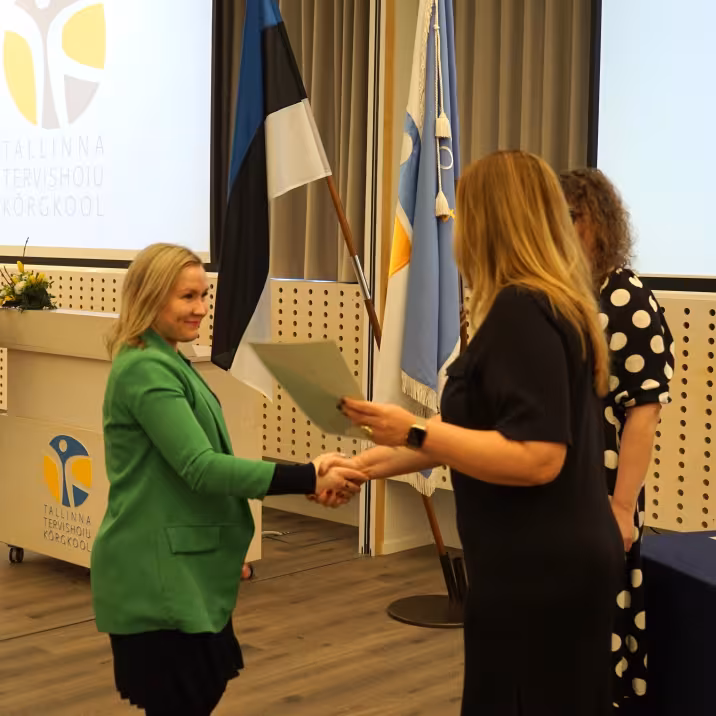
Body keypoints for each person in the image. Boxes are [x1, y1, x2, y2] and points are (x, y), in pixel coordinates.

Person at [334, 150, 624, 715]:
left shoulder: (522, 309)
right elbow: (471, 433)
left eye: (462, 213)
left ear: (492, 220)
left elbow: (537, 457)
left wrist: (414, 432)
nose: (454, 229)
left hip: (537, 573)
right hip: (549, 566)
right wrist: (363, 465)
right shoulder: (552, 304)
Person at [91, 243, 366, 716]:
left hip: (183, 568)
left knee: (199, 692)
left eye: (204, 295)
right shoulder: (146, 369)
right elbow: (201, 467)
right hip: (157, 574)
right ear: (149, 297)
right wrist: (308, 475)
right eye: (187, 297)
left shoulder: (167, 359)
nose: (201, 308)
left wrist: (310, 478)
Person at [561, 168, 674, 712]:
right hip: (555, 488)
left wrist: (623, 506)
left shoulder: (626, 298)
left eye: (573, 218)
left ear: (601, 225)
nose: (561, 230)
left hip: (603, 490)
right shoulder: (561, 294)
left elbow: (643, 413)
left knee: (596, 627)